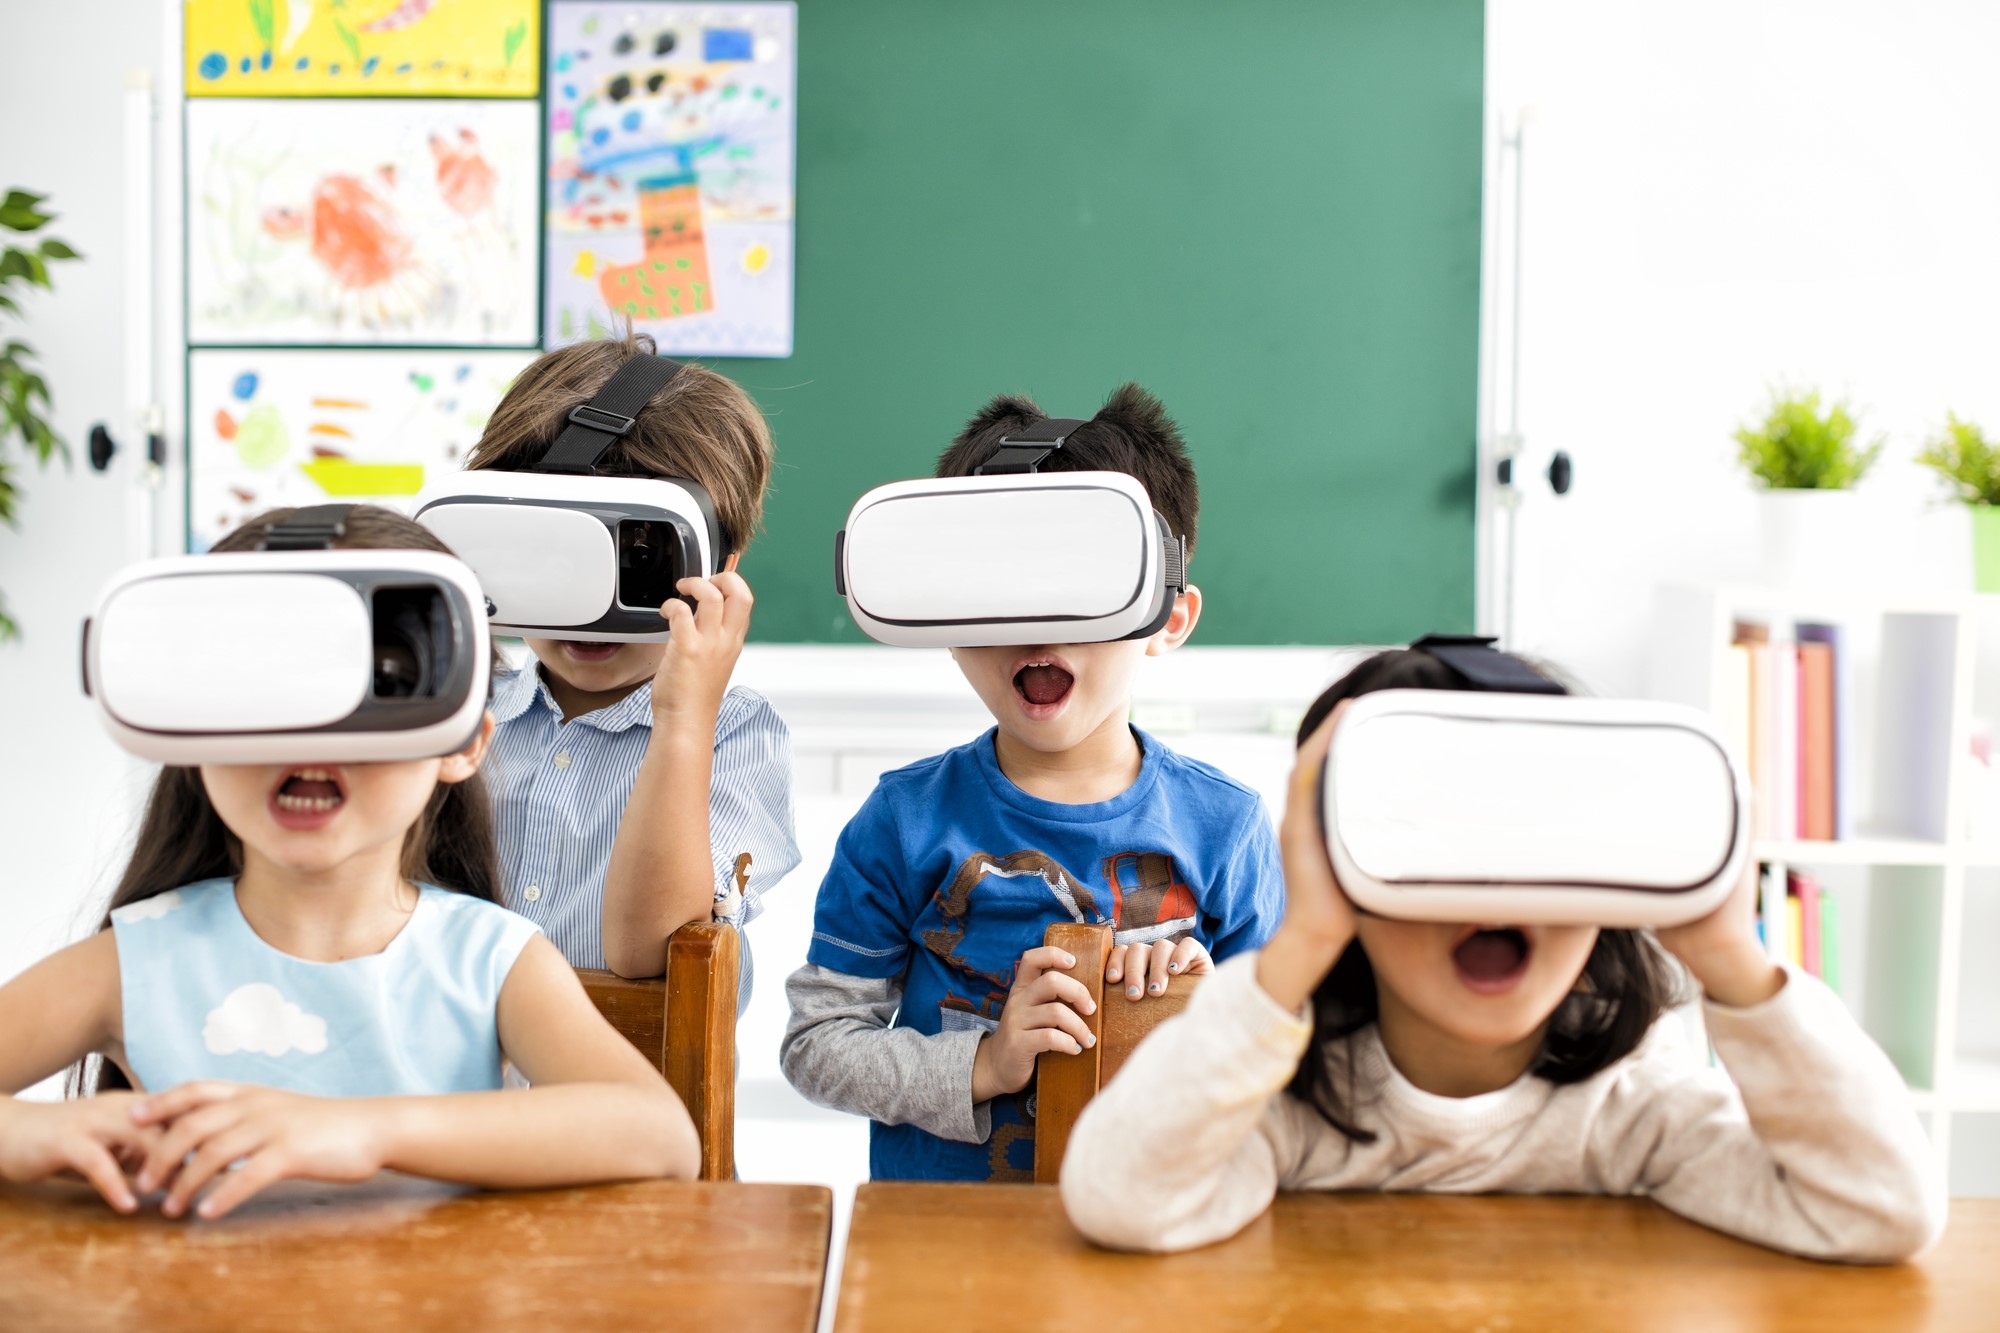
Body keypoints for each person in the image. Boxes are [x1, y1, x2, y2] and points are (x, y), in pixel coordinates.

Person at [1060, 644, 1946, 1263]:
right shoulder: (1297, 1107)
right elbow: (1118, 1198)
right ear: (1342, 875)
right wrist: (1303, 941)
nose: (1488, 892)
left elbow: (1882, 1211)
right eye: (1428, 847)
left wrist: (1731, 955)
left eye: (1534, 842)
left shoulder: (1635, 1104)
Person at [0, 507, 697, 1220]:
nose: (310, 730)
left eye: (381, 677)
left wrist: (365, 1130)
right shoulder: (135, 958)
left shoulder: (490, 960)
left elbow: (662, 1137)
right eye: (261, 686)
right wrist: (26, 1129)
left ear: (462, 742)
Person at [782, 385, 1285, 1181]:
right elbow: (817, 1047)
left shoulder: (1228, 828)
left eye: (1082, 583)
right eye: (994, 589)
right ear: (944, 624)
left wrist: (1207, 1006)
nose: (1034, 623)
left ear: (1169, 620)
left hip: (1156, 1243)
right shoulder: (902, 822)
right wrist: (985, 1062)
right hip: (945, 1257)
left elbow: (1289, 1064)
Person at [465, 333, 799, 1005]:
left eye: (639, 560)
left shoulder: (736, 735)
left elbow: (653, 951)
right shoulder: (466, 716)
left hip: (623, 1103)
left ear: (720, 565)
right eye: (553, 553)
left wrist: (683, 720)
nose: (590, 611)